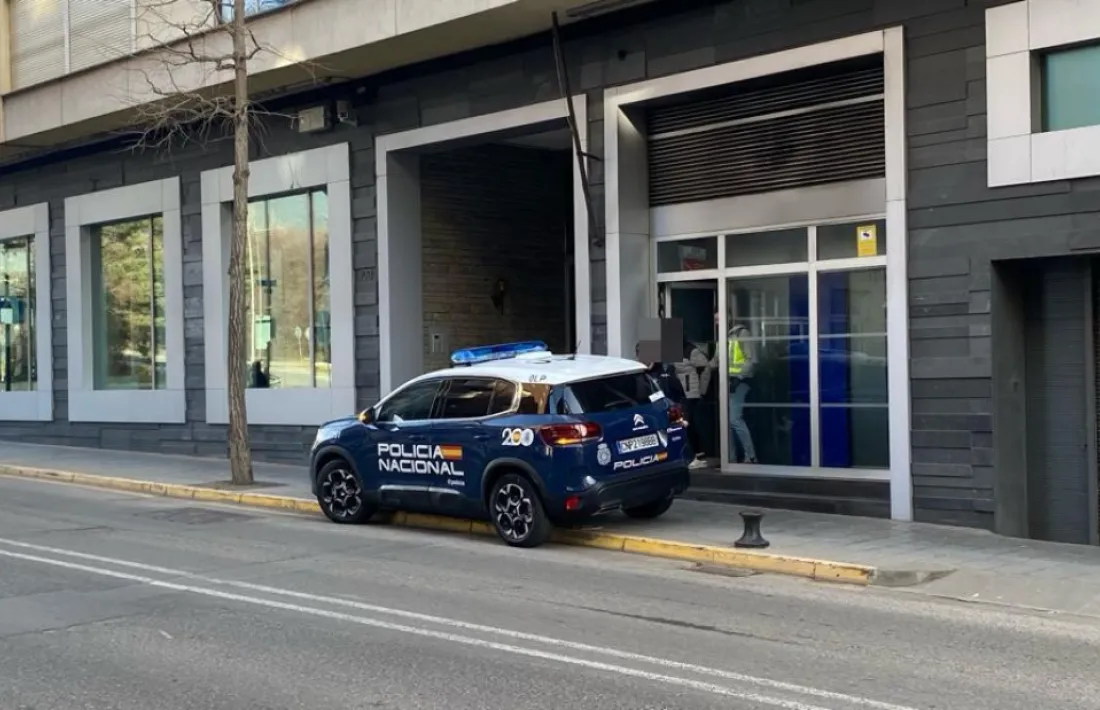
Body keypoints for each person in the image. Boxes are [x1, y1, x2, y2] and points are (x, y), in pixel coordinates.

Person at [672, 340, 713, 470]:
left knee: (685, 424)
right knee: (688, 424)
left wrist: (702, 390)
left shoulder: (690, 350)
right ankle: (696, 454)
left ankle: (694, 456)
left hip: (689, 393)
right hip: (679, 393)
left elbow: (706, 367)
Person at [726, 322, 758, 464]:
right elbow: (717, 360)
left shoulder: (742, 334)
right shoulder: (725, 336)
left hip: (740, 382)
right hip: (727, 382)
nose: (716, 322)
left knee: (734, 419)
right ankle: (730, 459)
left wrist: (738, 378)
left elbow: (752, 360)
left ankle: (751, 456)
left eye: (717, 318)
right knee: (727, 421)